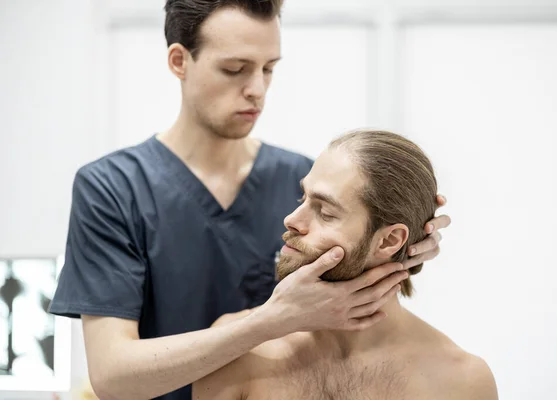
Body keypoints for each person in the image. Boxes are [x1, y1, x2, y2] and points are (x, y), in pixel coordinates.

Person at [48, 1, 451, 400]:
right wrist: (271, 320)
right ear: (179, 61)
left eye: (269, 68)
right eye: (235, 69)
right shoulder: (112, 189)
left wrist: (408, 244)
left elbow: (351, 284)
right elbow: (114, 376)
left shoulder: (300, 181)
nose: (257, 89)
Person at [192, 129, 497, 400]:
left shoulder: (463, 382)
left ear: (390, 241)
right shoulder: (236, 350)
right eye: (303, 198)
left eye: (325, 212)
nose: (292, 220)